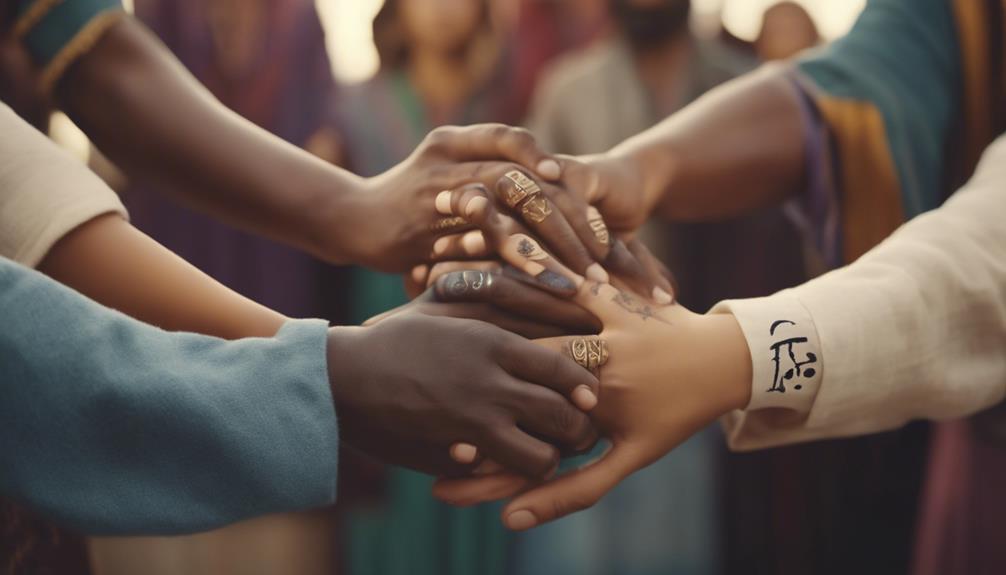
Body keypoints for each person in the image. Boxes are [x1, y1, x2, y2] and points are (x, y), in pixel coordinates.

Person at [430, 0, 1006, 571]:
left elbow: (983, 256)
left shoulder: (729, 71)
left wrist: (731, 357)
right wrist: (637, 168)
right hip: (630, 373)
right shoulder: (570, 87)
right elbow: (851, 85)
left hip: (715, 383)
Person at [520, 1, 758, 572]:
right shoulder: (567, 88)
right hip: (591, 370)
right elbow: (531, 225)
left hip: (728, 367)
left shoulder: (742, 87)